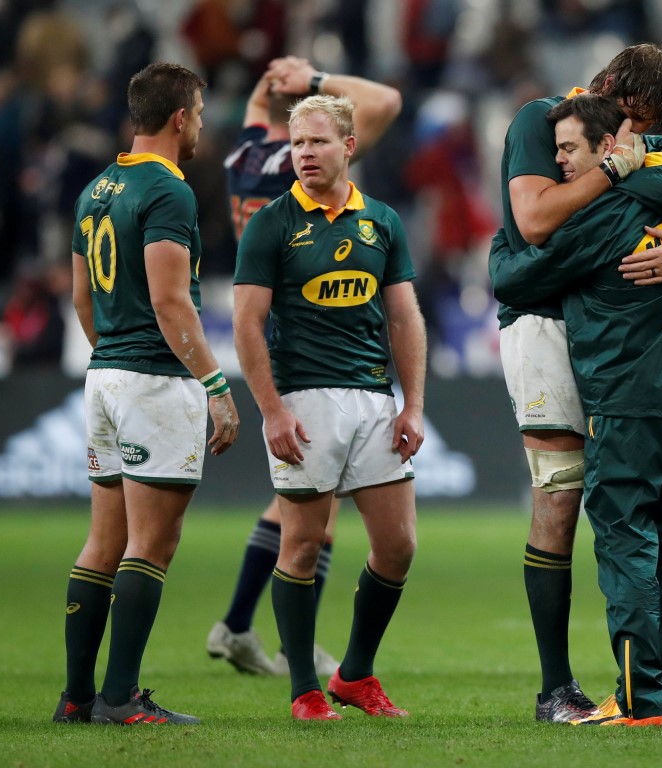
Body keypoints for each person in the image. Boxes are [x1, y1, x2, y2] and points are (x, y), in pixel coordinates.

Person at [492, 43, 662, 724]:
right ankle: (620, 691)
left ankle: (644, 691)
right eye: (628, 119)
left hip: (619, 363)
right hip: (613, 352)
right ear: (604, 91)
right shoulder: (551, 124)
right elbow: (539, 220)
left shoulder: (629, 180)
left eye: (644, 127)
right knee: (626, 518)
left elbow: (522, 252)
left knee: (629, 526)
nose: (635, 135)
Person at [54, 62, 241, 726]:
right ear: (181, 117)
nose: (201, 125)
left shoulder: (96, 189)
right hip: (154, 390)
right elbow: (170, 302)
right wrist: (217, 386)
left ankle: (77, 697)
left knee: (102, 539)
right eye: (200, 110)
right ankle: (121, 696)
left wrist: (111, 356)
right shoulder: (169, 192)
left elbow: (81, 299)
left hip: (103, 386)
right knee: (151, 543)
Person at [208, 55, 402, 678]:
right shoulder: (306, 174)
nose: (308, 150)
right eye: (305, 139)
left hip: (283, 321)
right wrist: (313, 80)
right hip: (308, 341)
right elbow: (385, 101)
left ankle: (244, 626)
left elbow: (255, 122)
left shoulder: (244, 158)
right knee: (311, 520)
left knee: (303, 514)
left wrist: (269, 88)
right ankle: (284, 644)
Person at [233, 94, 425, 721]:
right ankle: (303, 691)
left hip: (373, 398)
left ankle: (354, 675)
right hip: (303, 400)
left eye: (317, 142)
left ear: (348, 146)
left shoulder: (384, 222)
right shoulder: (272, 223)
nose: (304, 154)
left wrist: (412, 403)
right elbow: (246, 324)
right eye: (297, 144)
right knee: (303, 545)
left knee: (397, 547)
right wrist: (271, 410)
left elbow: (403, 316)